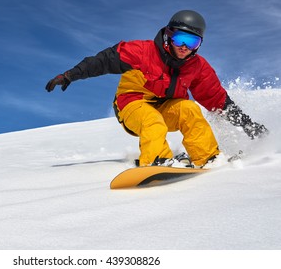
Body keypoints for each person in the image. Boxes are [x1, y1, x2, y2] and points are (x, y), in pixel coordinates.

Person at [45, 10, 268, 168]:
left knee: (190, 109)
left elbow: (218, 100)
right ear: (169, 35)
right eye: (180, 39)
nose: (183, 47)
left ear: (199, 45)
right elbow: (102, 61)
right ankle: (155, 161)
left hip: (166, 107)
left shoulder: (198, 67)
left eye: (192, 43)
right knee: (152, 121)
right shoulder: (141, 52)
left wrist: (248, 125)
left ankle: (207, 158)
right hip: (132, 104)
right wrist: (70, 75)